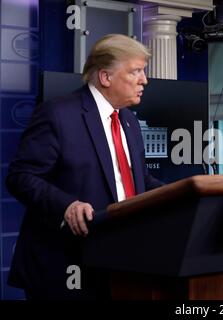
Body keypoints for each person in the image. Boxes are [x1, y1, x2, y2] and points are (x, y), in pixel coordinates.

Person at [6, 34, 163, 299]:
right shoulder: (57, 114)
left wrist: (183, 195)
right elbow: (21, 177)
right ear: (105, 77)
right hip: (64, 266)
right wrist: (66, 206)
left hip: (120, 262)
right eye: (135, 71)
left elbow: (138, 181)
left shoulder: (129, 122)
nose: (144, 80)